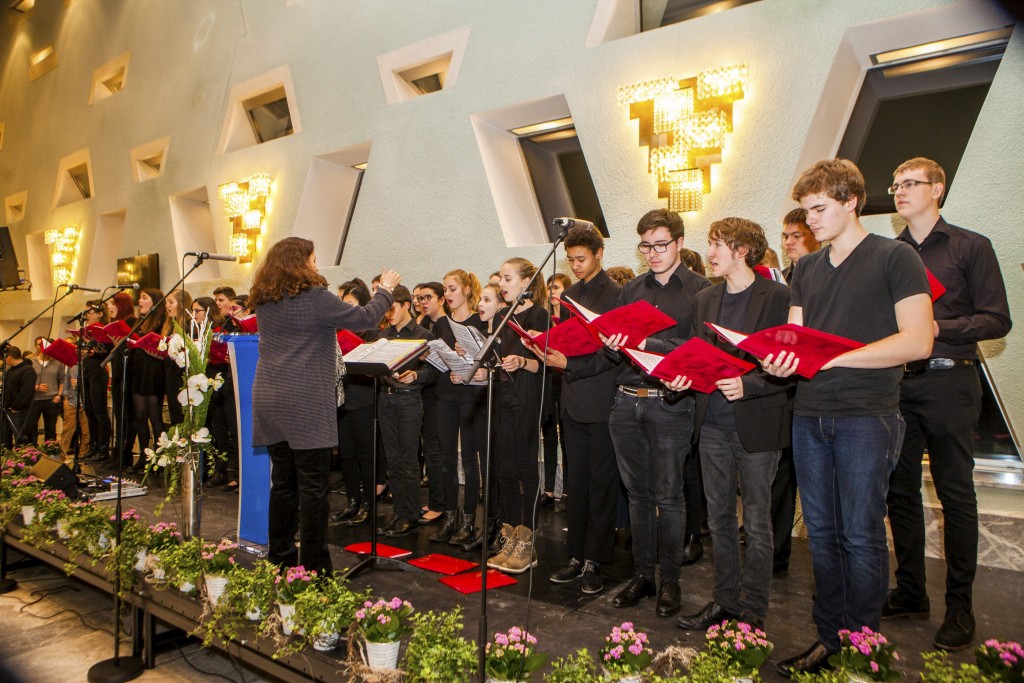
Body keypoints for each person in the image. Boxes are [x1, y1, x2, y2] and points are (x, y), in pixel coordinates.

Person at [765, 159, 933, 677]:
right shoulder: (807, 269)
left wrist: (835, 356)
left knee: (860, 534)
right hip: (810, 413)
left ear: (851, 201)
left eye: (820, 209)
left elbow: (918, 340)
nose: (810, 220)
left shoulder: (895, 256)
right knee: (821, 531)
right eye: (807, 210)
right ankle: (828, 639)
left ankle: (862, 647)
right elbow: (795, 339)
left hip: (867, 414)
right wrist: (778, 358)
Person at [884, 157, 1012, 651]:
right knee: (900, 491)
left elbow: (997, 320)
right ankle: (911, 592)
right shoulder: (890, 254)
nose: (900, 192)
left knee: (956, 494)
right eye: (895, 186)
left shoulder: (969, 246)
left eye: (911, 184)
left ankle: (960, 608)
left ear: (937, 189)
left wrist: (937, 328)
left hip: (950, 381)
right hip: (899, 383)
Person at [668, 217, 791, 632]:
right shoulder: (706, 298)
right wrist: (679, 376)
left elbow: (788, 365)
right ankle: (723, 601)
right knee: (718, 520)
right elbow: (700, 355)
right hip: (713, 424)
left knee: (756, 523)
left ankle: (753, 610)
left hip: (756, 423)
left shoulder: (777, 295)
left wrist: (750, 385)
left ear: (742, 250)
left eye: (717, 244)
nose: (711, 252)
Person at [250, 236, 398, 574]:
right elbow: (364, 318)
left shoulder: (265, 300)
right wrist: (385, 290)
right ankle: (314, 569)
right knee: (313, 488)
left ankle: (281, 558)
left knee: (284, 484)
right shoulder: (314, 298)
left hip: (271, 398)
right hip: (304, 401)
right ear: (301, 262)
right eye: (314, 259)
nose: (317, 266)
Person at [603, 209, 711, 618]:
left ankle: (671, 581)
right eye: (645, 246)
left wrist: (652, 342)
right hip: (626, 398)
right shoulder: (630, 290)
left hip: (670, 402)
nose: (652, 253)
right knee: (638, 496)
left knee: (669, 496)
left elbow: (702, 349)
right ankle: (643, 575)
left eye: (660, 245)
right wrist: (612, 340)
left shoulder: (701, 290)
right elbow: (612, 349)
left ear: (680, 243)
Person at [532, 225, 621, 594]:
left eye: (581, 259)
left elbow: (613, 352)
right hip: (572, 399)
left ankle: (596, 560)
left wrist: (571, 365)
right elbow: (570, 341)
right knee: (575, 484)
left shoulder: (615, 294)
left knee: (601, 485)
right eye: (570, 260)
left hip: (600, 400)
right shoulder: (568, 294)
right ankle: (574, 555)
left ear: (599, 254)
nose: (575, 266)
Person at [487, 258, 551, 574]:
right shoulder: (501, 316)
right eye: (501, 279)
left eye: (507, 279)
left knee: (526, 470)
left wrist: (521, 361)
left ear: (526, 282)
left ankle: (528, 542)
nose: (502, 284)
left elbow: (546, 364)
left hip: (527, 398)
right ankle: (509, 537)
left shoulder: (540, 315)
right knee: (505, 470)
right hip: (503, 398)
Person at [375, 285, 437, 537]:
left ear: (406, 306)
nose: (388, 314)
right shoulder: (383, 335)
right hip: (386, 398)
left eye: (392, 308)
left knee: (409, 460)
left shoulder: (423, 335)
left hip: (410, 399)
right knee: (392, 460)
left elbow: (435, 371)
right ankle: (399, 512)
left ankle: (410, 515)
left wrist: (417, 374)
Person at [430, 269, 487, 544]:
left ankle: (468, 521)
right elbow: (437, 358)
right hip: (446, 395)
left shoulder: (479, 321)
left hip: (471, 397)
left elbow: (486, 360)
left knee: (469, 461)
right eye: (445, 289)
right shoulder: (441, 323)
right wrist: (446, 366)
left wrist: (466, 364)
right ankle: (449, 517)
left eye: (452, 288)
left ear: (466, 290)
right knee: (446, 460)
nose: (447, 294)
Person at [330, 279, 383, 526]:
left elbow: (375, 368)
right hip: (341, 398)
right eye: (342, 303)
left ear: (361, 306)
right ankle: (352, 501)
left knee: (365, 453)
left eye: (350, 304)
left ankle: (369, 504)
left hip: (362, 398)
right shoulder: (334, 332)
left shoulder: (371, 332)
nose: (345, 308)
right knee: (346, 454)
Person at [413, 282, 447, 524]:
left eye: (428, 297)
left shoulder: (446, 325)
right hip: (424, 393)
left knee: (436, 452)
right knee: (429, 450)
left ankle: (439, 504)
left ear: (441, 299)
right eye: (420, 298)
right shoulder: (422, 324)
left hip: (442, 394)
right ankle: (435, 500)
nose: (423, 302)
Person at [130, 288, 167, 472]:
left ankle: (160, 458)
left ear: (155, 302)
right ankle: (144, 456)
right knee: (139, 416)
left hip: (154, 371)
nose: (140, 301)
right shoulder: (139, 321)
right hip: (138, 371)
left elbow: (163, 345)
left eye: (144, 298)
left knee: (155, 417)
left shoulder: (161, 321)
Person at [105, 292, 137, 468]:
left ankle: (125, 453)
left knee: (126, 415)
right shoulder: (112, 324)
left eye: (113, 303)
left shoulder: (131, 321)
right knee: (118, 415)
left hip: (128, 373)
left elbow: (132, 348)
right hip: (117, 372)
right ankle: (116, 452)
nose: (109, 306)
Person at [79, 301, 112, 463]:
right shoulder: (86, 332)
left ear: (100, 313)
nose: (87, 314)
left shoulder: (104, 331)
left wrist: (93, 352)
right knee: (89, 410)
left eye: (91, 311)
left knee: (99, 411)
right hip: (86, 371)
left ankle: (103, 447)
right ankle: (93, 445)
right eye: (86, 311)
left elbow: (107, 351)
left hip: (99, 372)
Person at [27, 337, 65, 444]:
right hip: (34, 400)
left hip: (51, 400)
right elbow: (24, 382)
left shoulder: (58, 363)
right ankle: (32, 452)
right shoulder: (30, 362)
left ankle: (50, 452)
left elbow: (62, 380)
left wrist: (59, 395)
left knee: (50, 429)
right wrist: (35, 387)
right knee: (31, 428)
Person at [1, 346, 36, 448]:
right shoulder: (11, 370)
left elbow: (26, 391)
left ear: (10, 357)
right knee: (4, 437)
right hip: (7, 409)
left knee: (20, 438)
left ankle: (20, 461)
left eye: (5, 357)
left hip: (19, 411)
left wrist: (16, 406)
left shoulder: (28, 370)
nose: (4, 360)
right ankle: (6, 458)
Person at [780, 208, 819, 284]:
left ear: (816, 237)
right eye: (786, 237)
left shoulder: (830, 274)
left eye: (796, 236)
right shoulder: (780, 280)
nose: (788, 242)